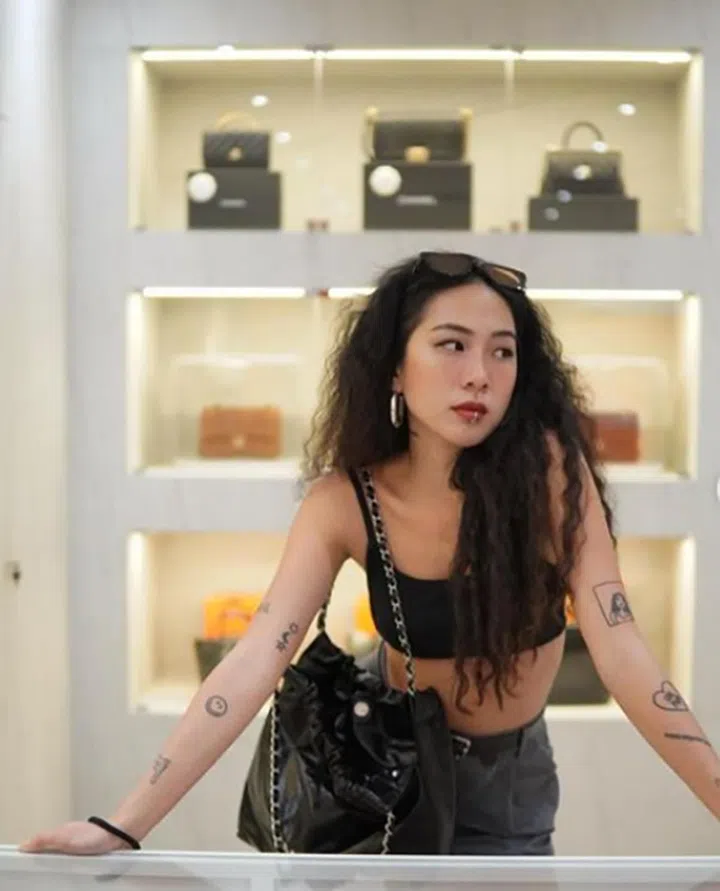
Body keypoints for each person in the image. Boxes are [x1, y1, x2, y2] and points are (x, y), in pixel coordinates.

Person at [21, 250, 720, 857]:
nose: (480, 373)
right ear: (394, 370)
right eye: (451, 345)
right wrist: (124, 823)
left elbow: (620, 649)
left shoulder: (551, 475)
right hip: (380, 767)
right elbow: (256, 656)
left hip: (506, 778)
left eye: (502, 351)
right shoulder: (343, 501)